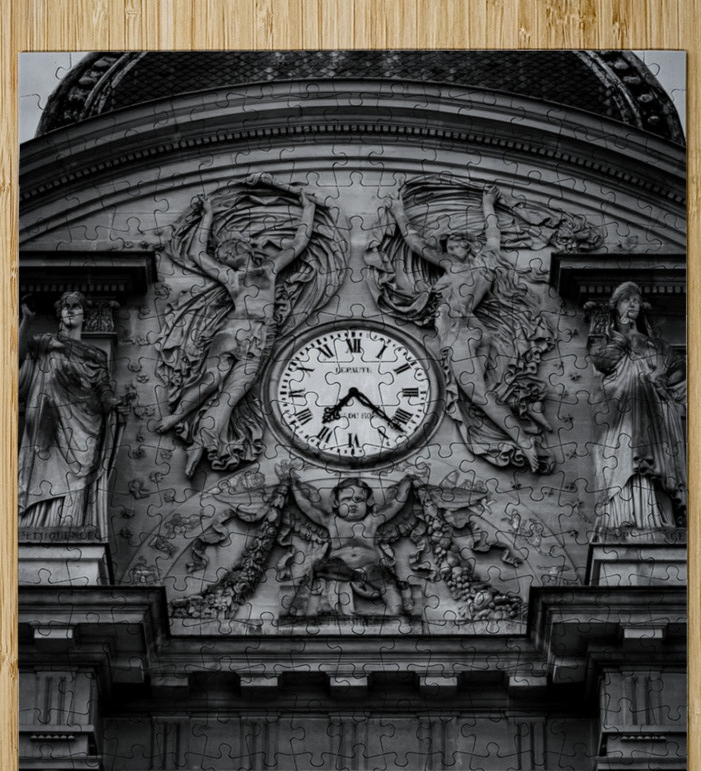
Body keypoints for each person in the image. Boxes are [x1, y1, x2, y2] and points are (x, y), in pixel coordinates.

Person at [157, 187, 316, 476]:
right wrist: (207, 215)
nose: (228, 254)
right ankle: (178, 417)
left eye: (231, 249)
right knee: (218, 385)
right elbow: (197, 253)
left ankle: (199, 442)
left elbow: (299, 242)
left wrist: (308, 209)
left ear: (245, 249)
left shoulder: (260, 271)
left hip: (251, 334)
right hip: (240, 331)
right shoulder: (245, 274)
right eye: (225, 253)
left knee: (229, 392)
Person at [389, 185, 550, 471]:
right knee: (482, 393)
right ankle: (520, 417)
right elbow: (493, 236)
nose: (451, 250)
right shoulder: (486, 263)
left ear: (464, 247)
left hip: (460, 333)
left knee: (478, 395)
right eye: (450, 246)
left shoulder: (452, 267)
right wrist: (488, 204)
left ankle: (523, 440)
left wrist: (399, 212)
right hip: (477, 331)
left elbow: (414, 242)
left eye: (455, 245)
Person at [588, 281, 687, 533]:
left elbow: (678, 368)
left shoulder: (655, 344)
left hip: (653, 414)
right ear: (616, 306)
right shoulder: (608, 338)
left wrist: (661, 378)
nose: (632, 303)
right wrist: (621, 334)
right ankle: (621, 514)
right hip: (619, 412)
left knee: (650, 457)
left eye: (636, 300)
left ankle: (654, 515)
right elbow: (602, 361)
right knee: (621, 455)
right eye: (626, 299)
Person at [18, 293, 117, 528]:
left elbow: (103, 388)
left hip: (85, 422)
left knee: (81, 471)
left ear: (85, 314)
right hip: (46, 417)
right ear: (59, 313)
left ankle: (71, 523)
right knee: (43, 463)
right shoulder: (44, 343)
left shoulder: (95, 355)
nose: (70, 311)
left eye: (76, 307)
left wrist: (114, 402)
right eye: (66, 307)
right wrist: (26, 321)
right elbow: (15, 359)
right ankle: (37, 522)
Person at [288, 475, 411, 617]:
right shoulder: (331, 521)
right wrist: (293, 486)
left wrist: (407, 482)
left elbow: (396, 504)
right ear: (336, 503)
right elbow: (306, 506)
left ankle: (397, 611)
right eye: (346, 499)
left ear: (368, 502)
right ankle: (305, 606)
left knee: (387, 581)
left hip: (370, 567)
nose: (352, 504)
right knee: (322, 566)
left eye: (359, 499)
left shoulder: (373, 520)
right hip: (339, 568)